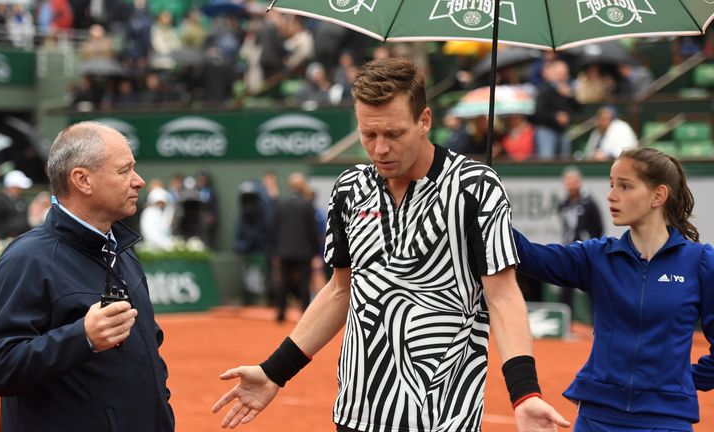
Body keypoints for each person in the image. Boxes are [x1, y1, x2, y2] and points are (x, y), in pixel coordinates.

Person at [212, 58, 568, 432]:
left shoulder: (476, 187)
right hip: (357, 414)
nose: (380, 149)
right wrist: (274, 371)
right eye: (369, 135)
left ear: (425, 120)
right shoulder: (349, 189)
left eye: (394, 134)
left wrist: (525, 393)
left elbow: (503, 296)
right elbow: (339, 291)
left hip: (444, 419)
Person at [0, 122, 174, 431]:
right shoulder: (27, 259)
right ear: (82, 180)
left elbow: (148, 349)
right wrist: (82, 337)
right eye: (124, 172)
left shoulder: (121, 250)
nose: (138, 181)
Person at [513, 148, 714, 431]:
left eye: (625, 186)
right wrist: (487, 216)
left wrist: (682, 379)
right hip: (596, 418)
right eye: (611, 184)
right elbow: (529, 256)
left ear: (658, 196)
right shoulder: (598, 256)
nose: (611, 195)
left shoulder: (701, 262)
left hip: (667, 419)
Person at [271, 172, 319, 322]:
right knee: (304, 282)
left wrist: (275, 251)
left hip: (284, 251)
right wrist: (315, 252)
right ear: (302, 186)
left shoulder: (280, 204)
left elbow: (274, 229)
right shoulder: (307, 204)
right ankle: (304, 314)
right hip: (304, 252)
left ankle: (280, 314)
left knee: (283, 281)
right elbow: (313, 231)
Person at [557, 166, 603, 318]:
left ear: (579, 182)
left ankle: (596, 325)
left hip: (586, 251)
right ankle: (565, 324)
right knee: (565, 287)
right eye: (567, 182)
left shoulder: (589, 203)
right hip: (568, 250)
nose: (570, 185)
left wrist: (591, 244)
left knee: (592, 288)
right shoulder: (563, 204)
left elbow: (598, 227)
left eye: (573, 182)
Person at [0, 170, 33, 239]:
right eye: (18, 187)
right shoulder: (0, 200)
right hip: (5, 239)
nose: (21, 189)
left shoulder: (22, 199)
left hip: (22, 238)